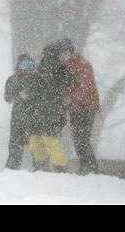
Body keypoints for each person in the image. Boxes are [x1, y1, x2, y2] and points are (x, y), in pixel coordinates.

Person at [28, 41, 75, 172]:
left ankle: (41, 165)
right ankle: (60, 167)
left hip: (40, 109)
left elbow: (35, 89)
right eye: (65, 53)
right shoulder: (60, 68)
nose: (66, 56)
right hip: (52, 108)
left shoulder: (43, 68)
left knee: (36, 138)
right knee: (48, 138)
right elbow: (70, 81)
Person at [59, 38, 101, 175]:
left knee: (81, 139)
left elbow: (84, 86)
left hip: (86, 107)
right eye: (61, 53)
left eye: (65, 52)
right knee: (80, 140)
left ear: (70, 51)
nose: (62, 55)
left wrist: (70, 98)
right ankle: (88, 168)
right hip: (77, 108)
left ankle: (89, 168)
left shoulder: (81, 65)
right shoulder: (66, 67)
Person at [4, 54, 38, 170]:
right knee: (35, 143)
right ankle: (39, 166)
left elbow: (7, 98)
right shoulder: (37, 79)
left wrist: (17, 93)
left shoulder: (13, 79)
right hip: (34, 115)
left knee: (15, 144)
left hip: (18, 116)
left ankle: (12, 167)